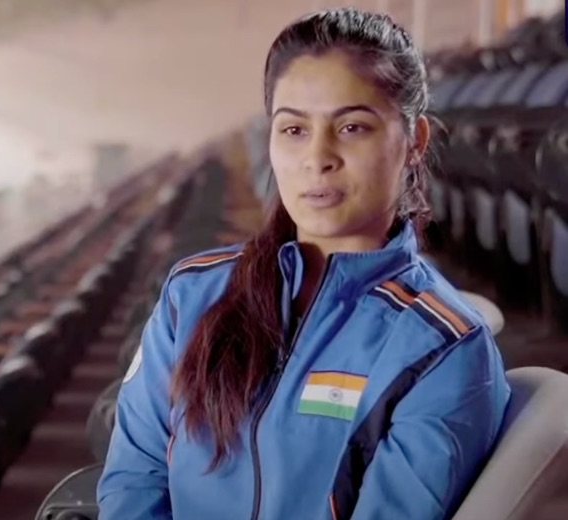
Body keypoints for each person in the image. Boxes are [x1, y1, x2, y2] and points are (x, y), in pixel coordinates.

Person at [97, 7, 511, 520]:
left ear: (414, 142)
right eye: (293, 130)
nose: (318, 158)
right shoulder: (192, 294)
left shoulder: (441, 348)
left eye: (352, 127)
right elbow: (135, 479)